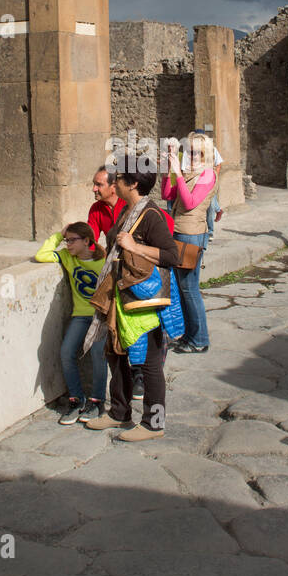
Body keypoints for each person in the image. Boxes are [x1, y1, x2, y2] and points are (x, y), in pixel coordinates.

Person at [84, 158, 182, 442]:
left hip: (143, 301)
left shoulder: (151, 215)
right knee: (116, 354)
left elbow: (171, 256)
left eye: (119, 179)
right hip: (122, 297)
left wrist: (135, 246)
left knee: (150, 364)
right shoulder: (127, 210)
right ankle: (119, 412)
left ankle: (154, 424)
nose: (114, 183)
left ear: (134, 183)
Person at [35, 221, 107, 424]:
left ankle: (97, 401)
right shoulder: (68, 257)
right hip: (80, 315)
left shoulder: (103, 262)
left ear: (86, 241)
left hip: (100, 316)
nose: (68, 245)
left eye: (72, 240)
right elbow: (41, 255)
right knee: (66, 352)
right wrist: (59, 235)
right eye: (67, 241)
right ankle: (76, 399)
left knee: (97, 354)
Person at [163, 132, 217, 354]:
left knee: (189, 288)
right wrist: (170, 166)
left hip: (192, 234)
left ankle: (200, 339)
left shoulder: (207, 175)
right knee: (183, 288)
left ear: (206, 155)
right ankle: (189, 335)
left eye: (197, 153)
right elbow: (167, 193)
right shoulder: (189, 173)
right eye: (189, 151)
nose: (192, 156)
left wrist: (178, 171)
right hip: (179, 232)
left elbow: (189, 203)